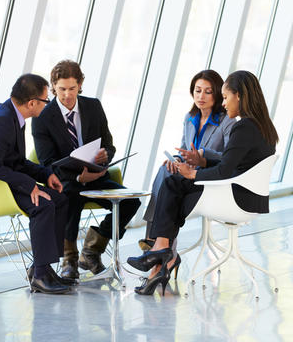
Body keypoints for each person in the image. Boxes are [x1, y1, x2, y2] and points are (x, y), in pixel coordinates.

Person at [127, 70, 279, 295]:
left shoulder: (243, 127)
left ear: (239, 96)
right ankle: (162, 251)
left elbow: (226, 170)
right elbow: (235, 162)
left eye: (226, 97)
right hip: (249, 195)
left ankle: (161, 249)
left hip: (236, 197)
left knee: (173, 184)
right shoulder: (262, 126)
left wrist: (193, 175)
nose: (224, 103)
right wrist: (202, 161)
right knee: (173, 181)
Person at [0, 73, 74, 294]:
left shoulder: (13, 117)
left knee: (59, 199)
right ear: (32, 103)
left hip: (2, 182)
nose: (47, 105)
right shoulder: (0, 121)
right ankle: (40, 275)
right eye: (45, 100)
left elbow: (16, 162)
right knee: (44, 204)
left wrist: (45, 174)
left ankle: (43, 268)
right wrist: (30, 185)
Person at [32, 60, 141, 279]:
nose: (67, 95)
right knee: (71, 195)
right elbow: (47, 162)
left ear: (80, 85)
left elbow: (109, 145)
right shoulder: (43, 118)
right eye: (62, 89)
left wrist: (105, 156)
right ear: (53, 87)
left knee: (131, 202)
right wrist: (78, 176)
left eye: (72, 89)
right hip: (65, 180)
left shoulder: (93, 106)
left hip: (97, 176)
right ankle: (68, 260)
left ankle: (92, 251)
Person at [139, 70, 236, 255]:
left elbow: (230, 158)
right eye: (197, 90)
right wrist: (176, 160)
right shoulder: (189, 119)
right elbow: (184, 149)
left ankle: (155, 241)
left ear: (218, 93)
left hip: (209, 178)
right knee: (165, 169)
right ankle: (161, 245)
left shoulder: (227, 121)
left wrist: (203, 155)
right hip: (187, 175)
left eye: (208, 91)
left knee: (168, 180)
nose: (201, 96)